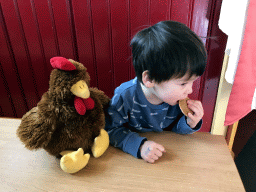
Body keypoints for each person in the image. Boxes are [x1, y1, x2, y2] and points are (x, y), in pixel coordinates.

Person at [104, 20, 207, 163]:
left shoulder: (175, 98)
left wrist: (189, 123)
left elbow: (176, 131)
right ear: (150, 79)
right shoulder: (125, 96)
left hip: (171, 157)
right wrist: (139, 146)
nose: (189, 90)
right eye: (183, 83)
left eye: (192, 82)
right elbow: (109, 130)